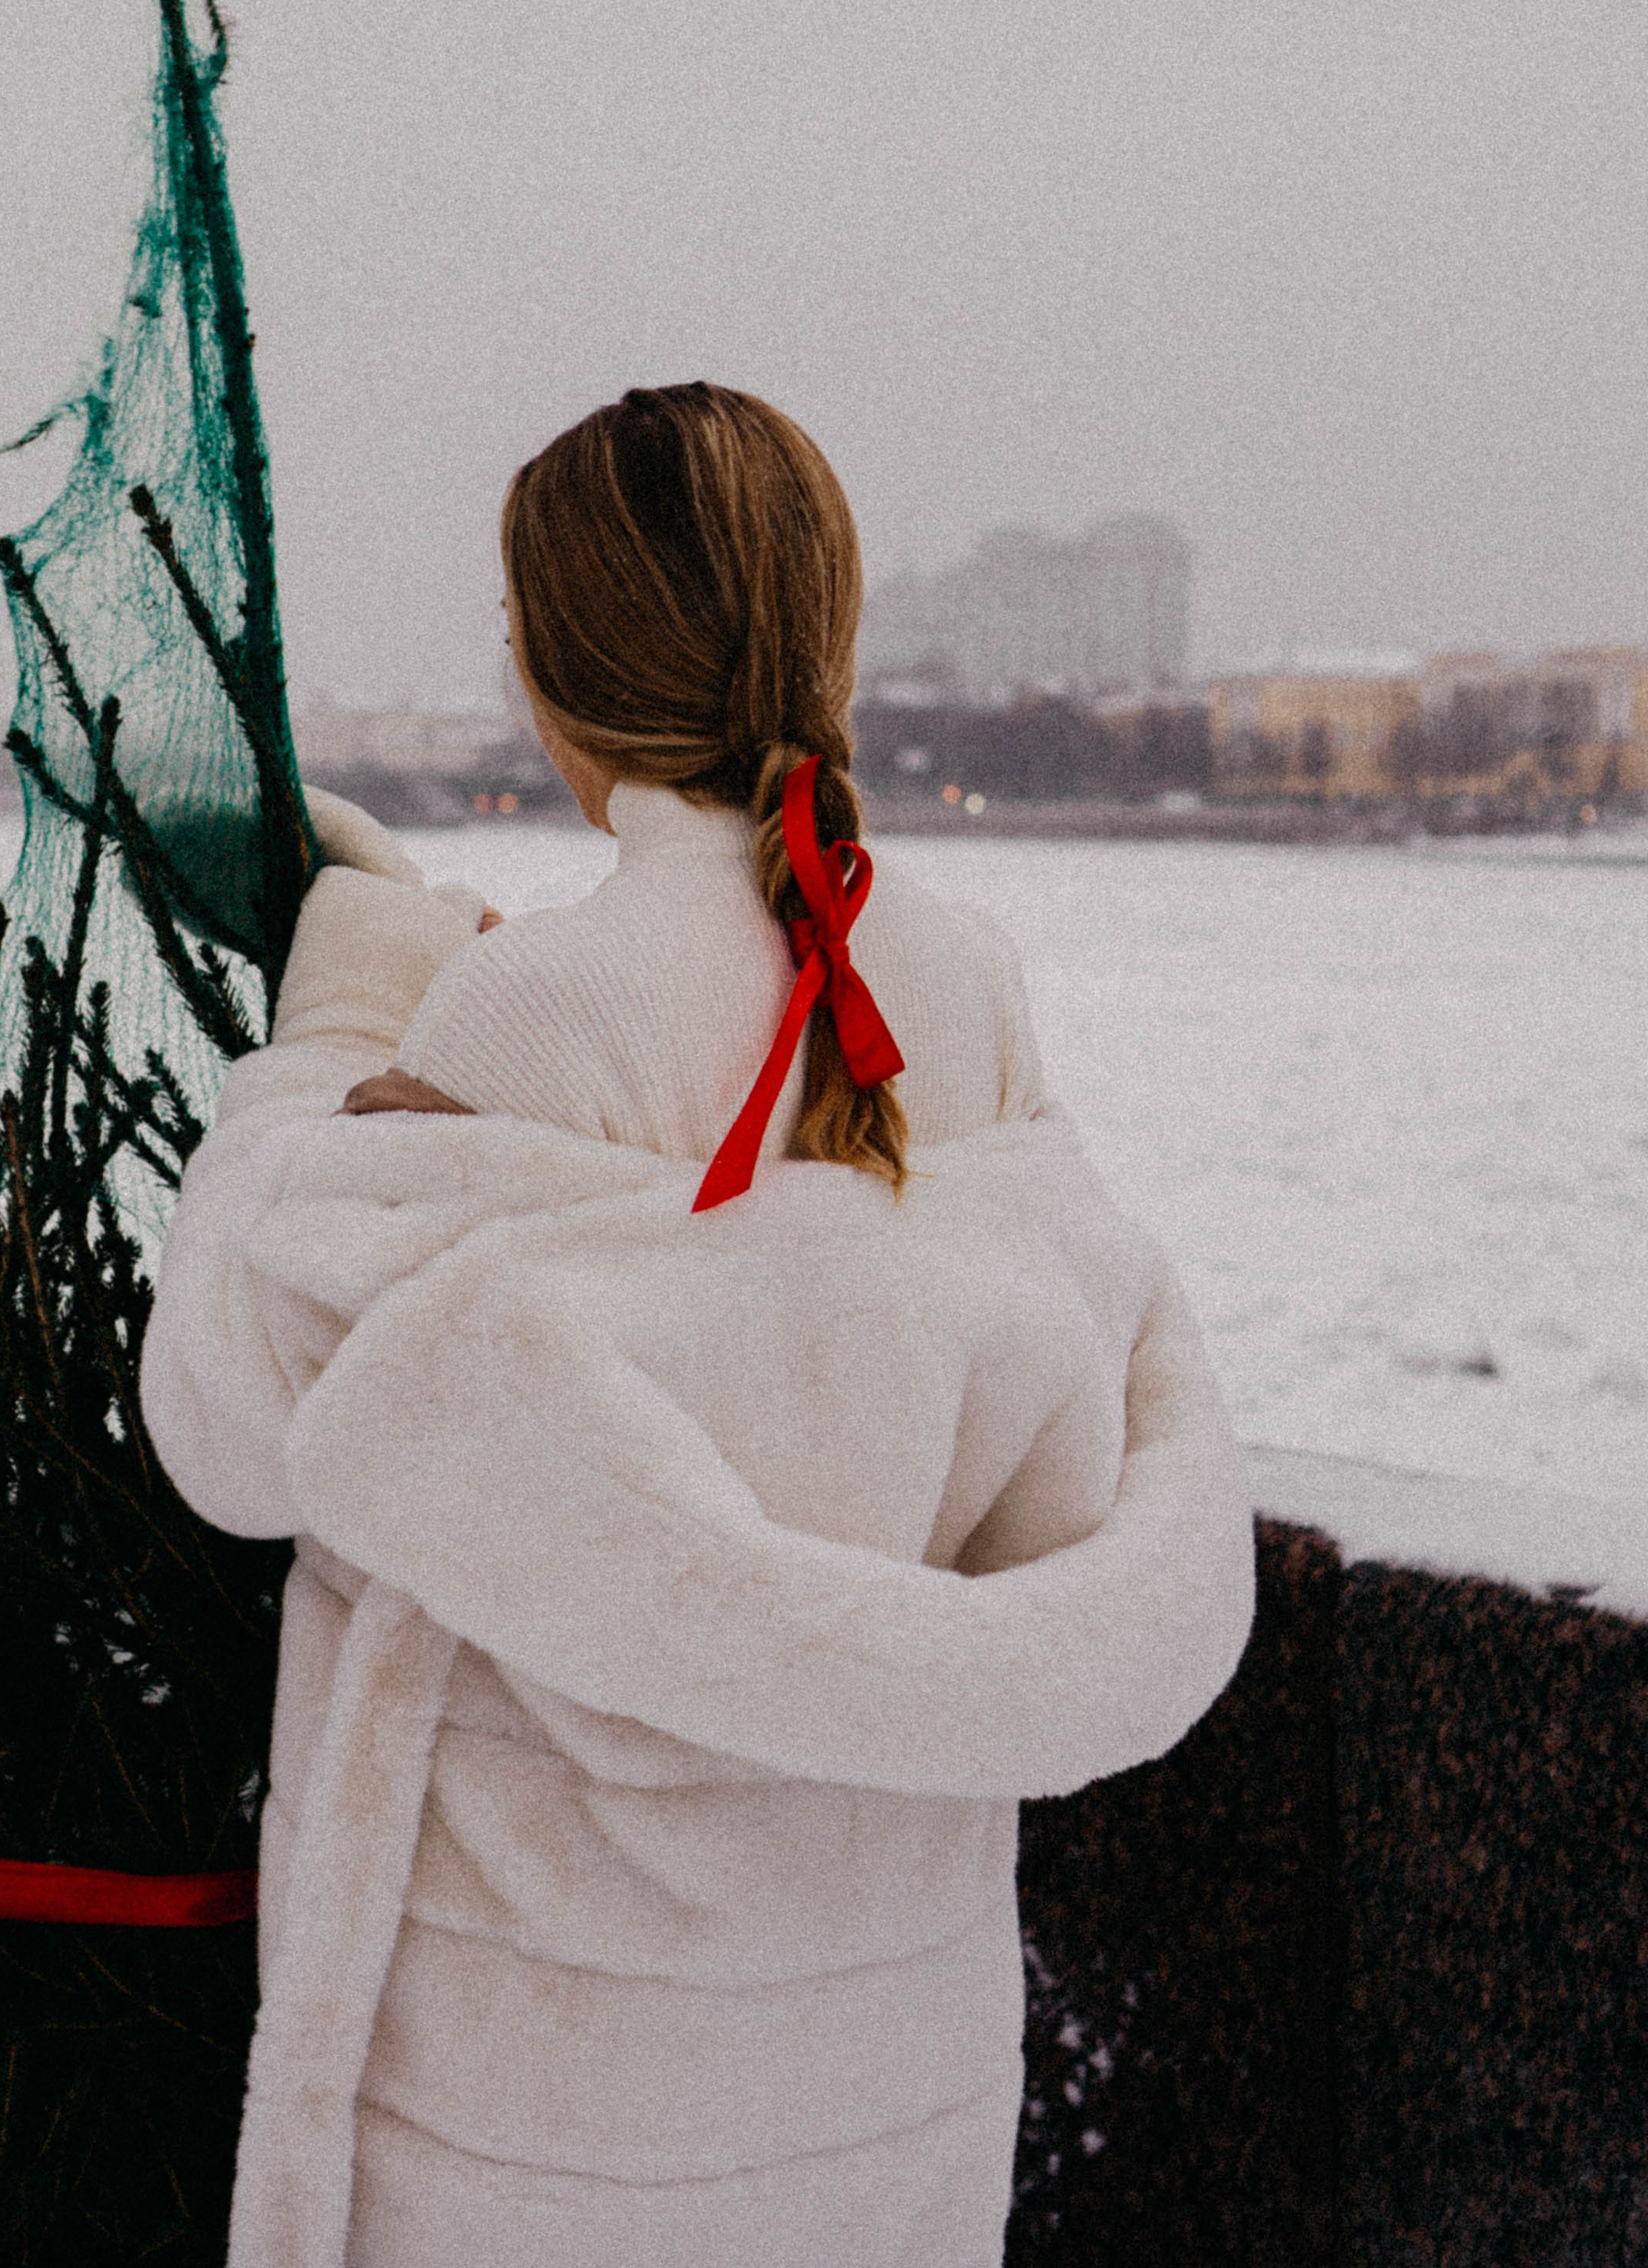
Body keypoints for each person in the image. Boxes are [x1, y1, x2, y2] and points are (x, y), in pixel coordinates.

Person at [141, 381, 1253, 2268]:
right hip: (874, 2064)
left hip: (539, 2096)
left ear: (548, 669)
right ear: (827, 627)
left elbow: (240, 1411)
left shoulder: (529, 1015)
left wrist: (340, 1022)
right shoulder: (960, 987)